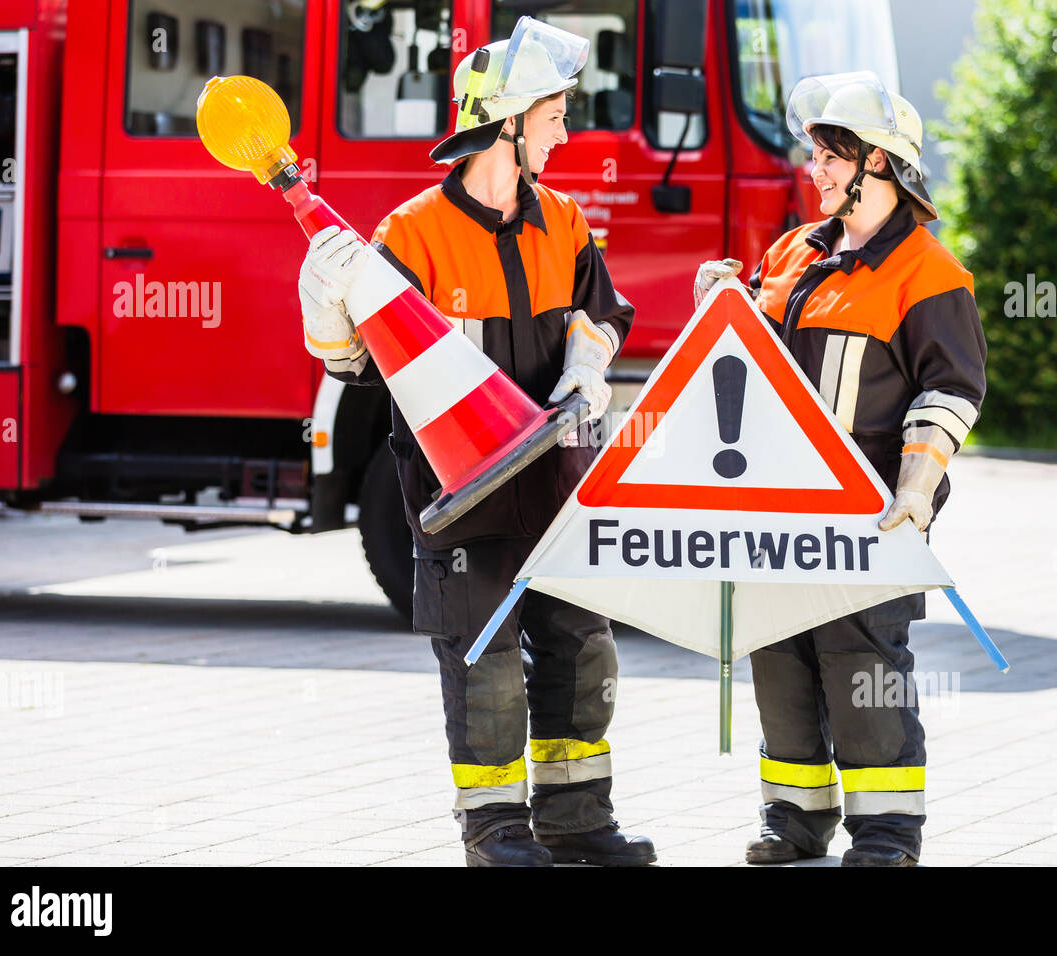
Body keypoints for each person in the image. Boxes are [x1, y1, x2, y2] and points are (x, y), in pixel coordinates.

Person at [297, 17, 654, 868]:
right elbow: (366, 366)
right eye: (556, 114)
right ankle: (495, 829)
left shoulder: (562, 219)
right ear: (508, 123)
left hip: (555, 480)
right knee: (484, 652)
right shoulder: (411, 233)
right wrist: (326, 322)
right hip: (461, 487)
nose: (567, 132)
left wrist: (587, 361)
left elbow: (601, 311)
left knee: (582, 645)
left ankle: (576, 821)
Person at [695, 71, 987, 866]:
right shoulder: (796, 251)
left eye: (832, 157)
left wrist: (916, 492)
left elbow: (952, 390)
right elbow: (744, 359)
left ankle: (888, 831)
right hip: (777, 512)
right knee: (780, 662)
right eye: (816, 154)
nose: (814, 171)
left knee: (864, 670)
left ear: (880, 166)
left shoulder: (931, 276)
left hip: (868, 518)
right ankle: (794, 818)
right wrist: (719, 304)